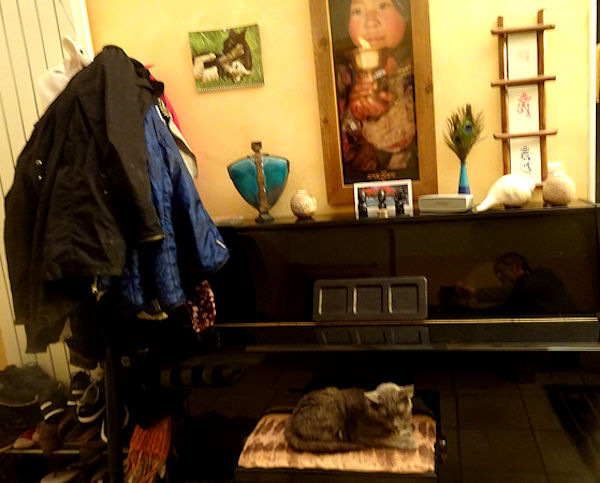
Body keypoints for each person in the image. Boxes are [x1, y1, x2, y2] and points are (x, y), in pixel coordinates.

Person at [336, 0, 418, 182]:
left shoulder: (420, 67)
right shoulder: (341, 77)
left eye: (383, 6)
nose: (371, 22)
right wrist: (356, 116)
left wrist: (383, 116)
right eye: (357, 11)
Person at [454, 253, 577, 316]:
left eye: (501, 272)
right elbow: (504, 308)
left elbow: (513, 292)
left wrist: (475, 292)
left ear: (515, 268)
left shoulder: (541, 276)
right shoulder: (522, 288)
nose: (499, 277)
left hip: (565, 329)